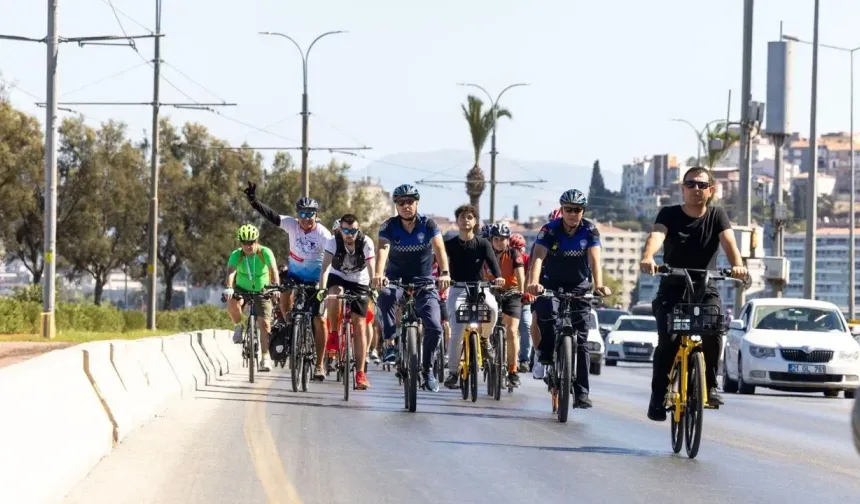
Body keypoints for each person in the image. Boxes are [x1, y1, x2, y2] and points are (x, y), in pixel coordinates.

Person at [639, 166, 747, 421]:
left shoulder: (717, 215)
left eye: (701, 185)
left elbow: (729, 242)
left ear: (711, 190)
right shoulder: (669, 213)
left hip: (705, 287)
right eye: (690, 184)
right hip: (672, 288)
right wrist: (648, 257)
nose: (695, 189)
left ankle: (709, 384)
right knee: (669, 341)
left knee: (714, 331)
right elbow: (657, 234)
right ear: (682, 188)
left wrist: (738, 265)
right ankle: (658, 395)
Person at [526, 189, 610, 409]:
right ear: (562, 210)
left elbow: (594, 261)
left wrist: (599, 285)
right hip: (551, 283)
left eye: (578, 210)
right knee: (546, 313)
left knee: (582, 341)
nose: (573, 214)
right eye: (569, 209)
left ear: (583, 212)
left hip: (580, 286)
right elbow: (537, 258)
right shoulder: (549, 230)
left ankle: (581, 393)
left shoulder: (590, 230)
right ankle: (544, 351)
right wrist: (534, 283)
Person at [244, 182, 332, 380]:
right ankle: (288, 323)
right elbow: (272, 215)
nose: (306, 218)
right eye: (302, 214)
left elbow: (333, 254)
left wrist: (327, 283)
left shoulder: (323, 234)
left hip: (316, 280)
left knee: (320, 320)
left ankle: (319, 365)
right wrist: (254, 202)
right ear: (297, 215)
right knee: (284, 294)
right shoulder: (291, 225)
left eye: (310, 214)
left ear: (316, 215)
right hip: (294, 275)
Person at [372, 184, 451, 392]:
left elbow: (439, 247)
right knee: (385, 296)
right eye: (401, 203)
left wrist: (444, 273)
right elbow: (383, 249)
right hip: (396, 278)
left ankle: (427, 369)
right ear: (396, 206)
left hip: (423, 281)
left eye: (410, 202)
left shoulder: (429, 224)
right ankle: (390, 343)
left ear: (417, 203)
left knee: (435, 326)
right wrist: (379, 274)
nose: (406, 206)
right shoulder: (388, 226)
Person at [441, 205, 504, 389]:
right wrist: (442, 277)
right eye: (462, 217)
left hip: (480, 288)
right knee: (457, 330)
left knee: (492, 309)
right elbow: (440, 265)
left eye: (470, 217)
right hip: (457, 289)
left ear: (475, 221)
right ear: (457, 221)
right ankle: (452, 372)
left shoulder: (483, 243)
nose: (466, 220)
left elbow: (493, 264)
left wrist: (498, 277)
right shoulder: (450, 244)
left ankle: (485, 339)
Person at [318, 214, 375, 390]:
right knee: (336, 293)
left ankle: (360, 373)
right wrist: (322, 289)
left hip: (360, 280)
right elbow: (325, 268)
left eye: (353, 231)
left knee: (359, 324)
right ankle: (334, 333)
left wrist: (373, 287)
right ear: (340, 230)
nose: (349, 234)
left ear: (358, 230)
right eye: (345, 230)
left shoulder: (366, 242)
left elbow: (372, 267)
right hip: (338, 275)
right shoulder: (333, 242)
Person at [224, 224, 280, 372]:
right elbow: (231, 271)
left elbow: (273, 270)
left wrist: (275, 287)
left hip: (263, 289)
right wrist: (229, 287)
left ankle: (265, 357)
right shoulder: (237, 254)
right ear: (240, 243)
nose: (248, 246)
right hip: (242, 288)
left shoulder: (265, 252)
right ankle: (238, 326)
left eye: (251, 242)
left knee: (265, 325)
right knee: (231, 302)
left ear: (257, 241)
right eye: (245, 243)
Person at [483, 223, 526, 387]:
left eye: (503, 239)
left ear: (508, 240)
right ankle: (485, 344)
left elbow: (520, 274)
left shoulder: (514, 254)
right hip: (491, 292)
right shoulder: (487, 253)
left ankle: (513, 370)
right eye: (496, 239)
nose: (499, 242)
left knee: (512, 331)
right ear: (491, 240)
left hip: (511, 292)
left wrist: (521, 292)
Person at [510, 233, 535, 372]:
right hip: (506, 299)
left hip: (523, 301)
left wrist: (530, 293)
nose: (517, 252)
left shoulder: (528, 260)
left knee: (526, 326)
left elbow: (532, 278)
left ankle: (525, 359)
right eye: (513, 248)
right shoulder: (504, 259)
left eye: (519, 248)